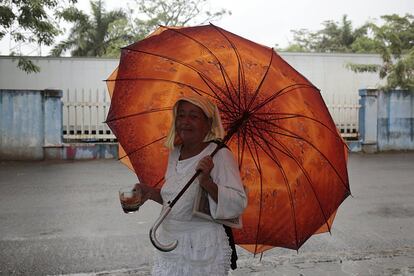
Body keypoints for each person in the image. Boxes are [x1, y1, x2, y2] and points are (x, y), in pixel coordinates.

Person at [136, 95, 247, 276]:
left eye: (194, 116)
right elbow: (176, 199)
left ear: (208, 123)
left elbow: (237, 203)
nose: (185, 122)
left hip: (202, 250)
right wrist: (149, 192)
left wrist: (207, 183)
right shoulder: (175, 153)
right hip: (169, 244)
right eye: (181, 115)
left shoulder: (219, 155)